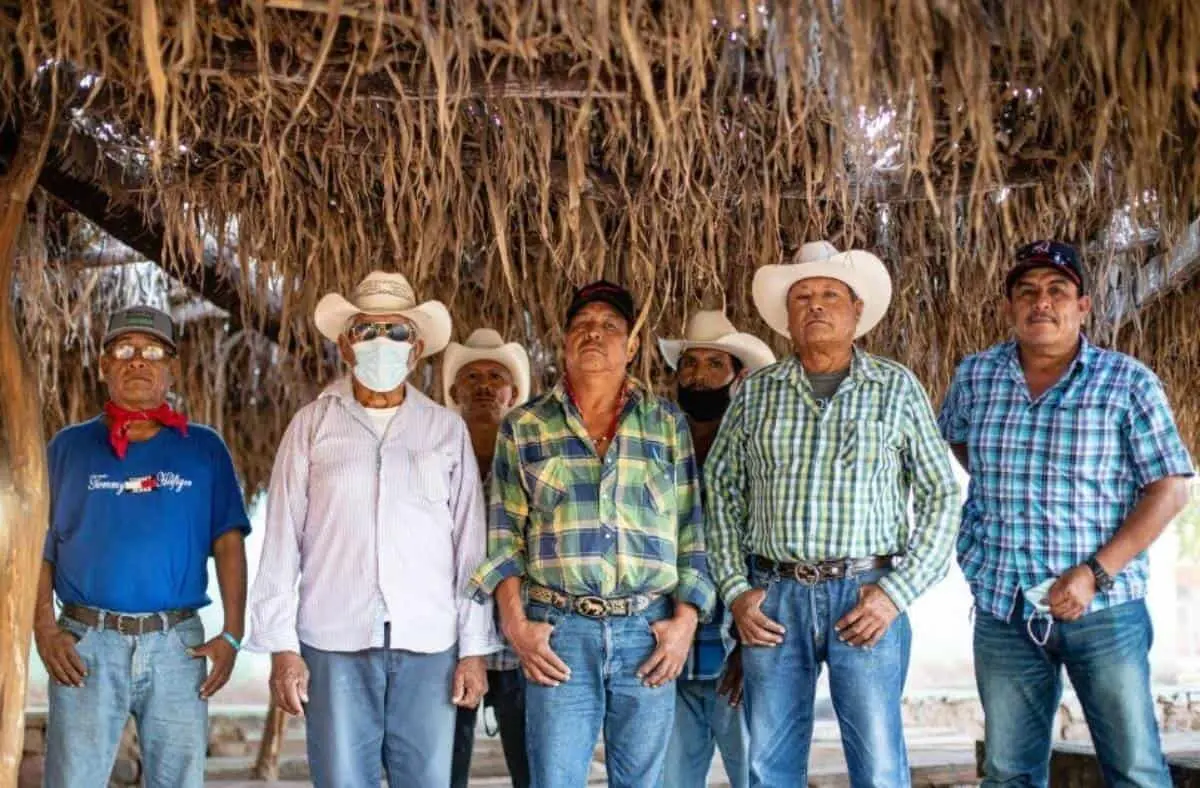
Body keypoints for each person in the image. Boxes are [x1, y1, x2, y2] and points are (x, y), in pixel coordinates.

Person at [939, 240, 1194, 788]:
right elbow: (960, 446)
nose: (1042, 303)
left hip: (1105, 611)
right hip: (1004, 608)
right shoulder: (975, 377)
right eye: (1027, 292)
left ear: (1083, 306)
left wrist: (1095, 572)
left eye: (1058, 291)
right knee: (1008, 773)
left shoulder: (1127, 383)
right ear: (1010, 306)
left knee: (1135, 770)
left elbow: (1170, 489)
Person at [705, 241, 960, 787]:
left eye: (829, 295)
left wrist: (898, 592)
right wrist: (735, 590)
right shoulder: (755, 395)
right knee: (769, 762)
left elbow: (942, 494)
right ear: (788, 316)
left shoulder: (897, 388)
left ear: (857, 311)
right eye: (803, 297)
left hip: (866, 594)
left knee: (878, 763)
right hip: (774, 597)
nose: (816, 306)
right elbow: (721, 493)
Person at [246, 272, 497, 788]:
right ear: (345, 344)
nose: (383, 343)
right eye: (368, 330)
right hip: (333, 639)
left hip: (429, 642)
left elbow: (471, 548)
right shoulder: (312, 424)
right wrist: (283, 647)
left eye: (398, 332)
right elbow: (280, 545)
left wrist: (474, 650)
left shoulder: (445, 430)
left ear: (417, 348)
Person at [470, 280, 717, 788]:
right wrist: (517, 626)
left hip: (647, 630)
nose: (593, 335)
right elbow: (503, 536)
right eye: (582, 325)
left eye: (609, 327)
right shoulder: (526, 426)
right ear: (563, 343)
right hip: (559, 631)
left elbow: (693, 530)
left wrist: (684, 623)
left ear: (630, 346)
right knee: (555, 780)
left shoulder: (666, 423)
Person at [34, 305, 249, 788]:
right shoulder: (67, 448)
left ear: (171, 367)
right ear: (104, 364)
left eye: (152, 351)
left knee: (178, 782)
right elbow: (38, 546)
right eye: (124, 350)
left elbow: (229, 542)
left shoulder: (204, 448)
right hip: (85, 642)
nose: (138, 361)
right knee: (73, 781)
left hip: (178, 646)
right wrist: (45, 630)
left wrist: (233, 634)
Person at [657, 310, 775, 788]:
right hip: (668, 653)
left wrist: (752, 651)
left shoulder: (759, 451)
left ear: (738, 376)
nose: (698, 376)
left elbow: (771, 551)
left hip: (736, 651)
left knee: (758, 775)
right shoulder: (657, 447)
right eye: (689, 365)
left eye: (713, 365)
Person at [445, 328, 533, 788]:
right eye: (471, 376)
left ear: (513, 392)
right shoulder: (438, 459)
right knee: (446, 769)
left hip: (518, 642)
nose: (482, 385)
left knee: (531, 768)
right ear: (454, 392)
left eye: (494, 376)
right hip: (453, 642)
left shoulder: (529, 460)